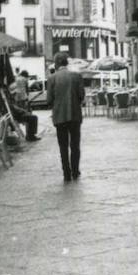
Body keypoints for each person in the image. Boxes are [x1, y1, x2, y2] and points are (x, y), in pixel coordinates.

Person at [49, 54, 84, 182]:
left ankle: (66, 173)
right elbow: (81, 96)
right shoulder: (76, 76)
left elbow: (49, 100)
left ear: (56, 64)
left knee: (63, 146)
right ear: (66, 63)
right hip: (75, 115)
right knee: (75, 145)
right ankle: (75, 171)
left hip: (59, 117)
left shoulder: (52, 78)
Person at [8, 72, 41, 141]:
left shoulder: (15, 80)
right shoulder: (24, 80)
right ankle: (30, 135)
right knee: (30, 117)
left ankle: (29, 135)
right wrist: (23, 109)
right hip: (21, 107)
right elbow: (26, 90)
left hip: (18, 106)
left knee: (29, 116)